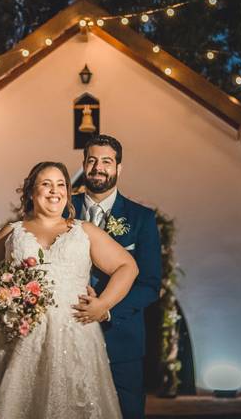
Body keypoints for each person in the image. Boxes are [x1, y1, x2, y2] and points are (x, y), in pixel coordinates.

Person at [0, 161, 139, 419]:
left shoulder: (83, 231)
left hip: (74, 334)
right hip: (17, 338)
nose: (55, 191)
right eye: (46, 184)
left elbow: (127, 266)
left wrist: (103, 304)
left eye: (61, 185)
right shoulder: (12, 232)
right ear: (31, 192)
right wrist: (2, 305)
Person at [70, 135, 162, 419]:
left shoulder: (141, 218)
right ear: (84, 164)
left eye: (106, 162)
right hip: (67, 334)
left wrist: (105, 310)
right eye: (92, 160)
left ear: (119, 168)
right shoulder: (62, 209)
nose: (99, 167)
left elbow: (149, 284)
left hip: (121, 339)